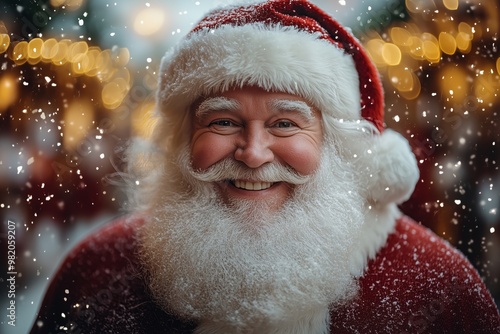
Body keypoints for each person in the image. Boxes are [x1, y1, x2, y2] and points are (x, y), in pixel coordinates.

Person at [31, 1, 500, 333]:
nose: (253, 153)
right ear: (180, 141)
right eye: (222, 121)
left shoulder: (435, 289)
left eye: (284, 123)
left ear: (338, 146)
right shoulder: (97, 276)